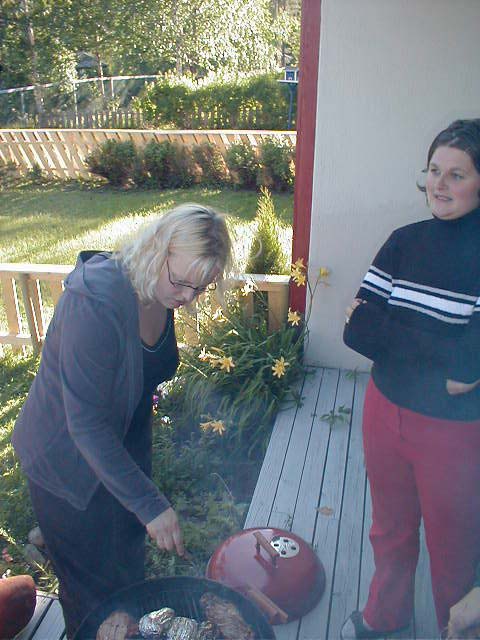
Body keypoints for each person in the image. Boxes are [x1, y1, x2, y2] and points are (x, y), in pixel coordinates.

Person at [12, 203, 232, 639]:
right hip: (65, 469)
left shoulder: (159, 290)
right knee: (91, 599)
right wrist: (150, 505)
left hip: (116, 457)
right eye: (182, 282)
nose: (188, 298)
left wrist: (140, 488)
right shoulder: (95, 302)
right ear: (157, 250)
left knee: (127, 579)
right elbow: (86, 425)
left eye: (201, 288)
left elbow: (136, 388)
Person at [341, 119, 480, 639]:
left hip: (453, 433)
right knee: (390, 530)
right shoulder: (404, 242)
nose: (439, 185)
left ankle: (454, 629)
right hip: (384, 412)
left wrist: (390, 336)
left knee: (453, 546)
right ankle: (387, 615)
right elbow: (355, 331)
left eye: (457, 175)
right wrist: (435, 351)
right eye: (433, 171)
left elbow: (464, 373)